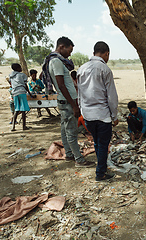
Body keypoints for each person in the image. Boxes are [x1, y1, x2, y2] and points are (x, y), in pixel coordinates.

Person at [43, 36, 94, 168]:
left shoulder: (56, 61)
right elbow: (61, 85)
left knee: (65, 130)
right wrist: (73, 104)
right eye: (69, 51)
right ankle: (79, 159)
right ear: (61, 47)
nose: (70, 54)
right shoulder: (57, 62)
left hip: (65, 101)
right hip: (67, 102)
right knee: (71, 131)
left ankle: (70, 154)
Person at [77, 41, 119, 181]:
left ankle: (101, 167)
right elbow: (111, 96)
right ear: (106, 53)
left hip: (88, 114)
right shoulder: (104, 69)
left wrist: (82, 110)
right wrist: (114, 116)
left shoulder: (81, 69)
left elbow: (79, 94)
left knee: (96, 142)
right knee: (102, 144)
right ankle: (100, 173)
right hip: (102, 115)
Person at [9, 63, 34, 131]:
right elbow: (25, 85)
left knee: (16, 110)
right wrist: (30, 94)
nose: (21, 68)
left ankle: (13, 127)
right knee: (23, 110)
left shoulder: (11, 75)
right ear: (17, 68)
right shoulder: (22, 75)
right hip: (22, 92)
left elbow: (10, 83)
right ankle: (24, 126)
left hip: (14, 93)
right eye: (20, 67)